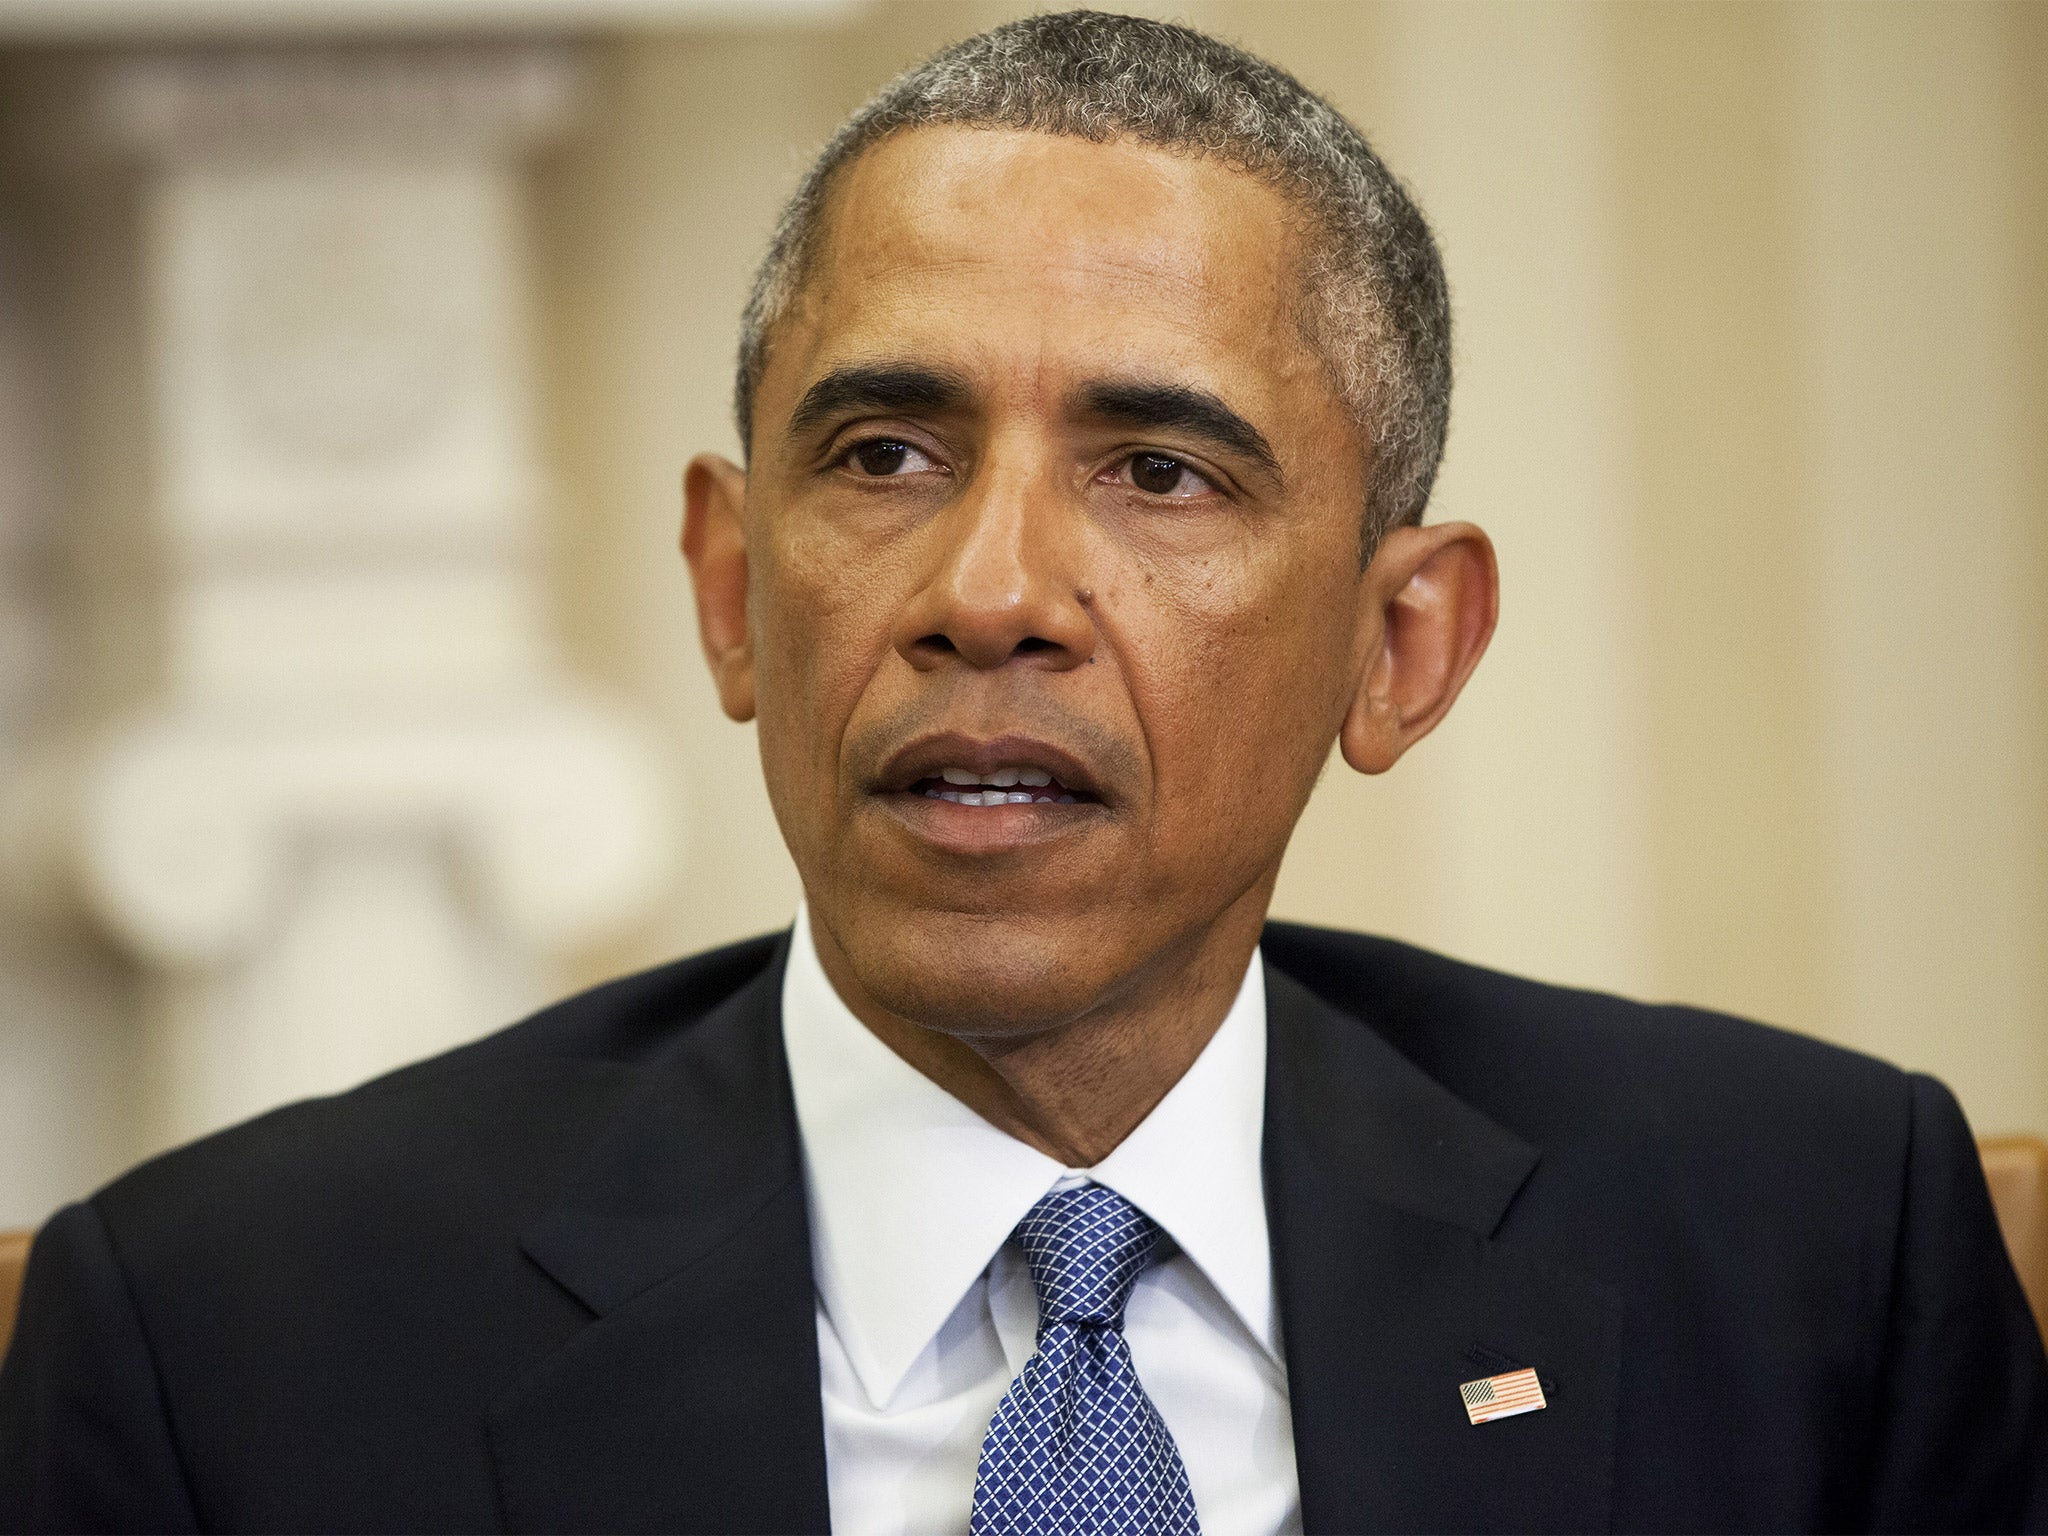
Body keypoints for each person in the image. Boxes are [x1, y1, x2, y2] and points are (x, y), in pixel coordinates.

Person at [3, 10, 2044, 1533]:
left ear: (1396, 644)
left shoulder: (1802, 1249)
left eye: (1159, 472)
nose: (990, 594)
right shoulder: (231, 1350)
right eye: (883, 456)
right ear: (730, 589)